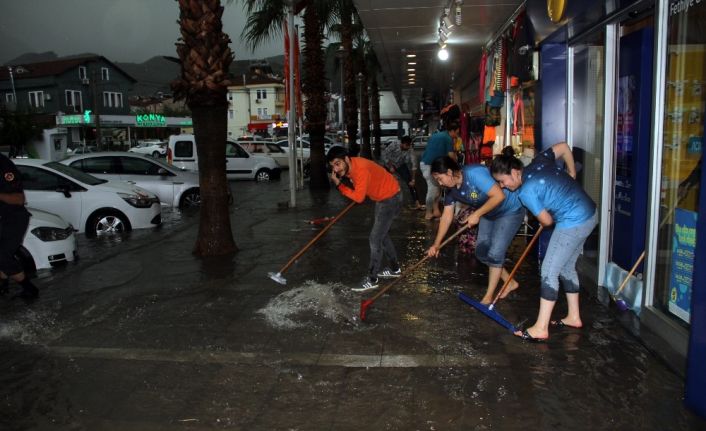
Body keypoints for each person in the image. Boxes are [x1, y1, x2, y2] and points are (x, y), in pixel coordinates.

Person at [491, 142, 597, 342]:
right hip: (591, 214)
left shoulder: (525, 192)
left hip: (574, 221)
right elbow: (565, 147)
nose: (502, 186)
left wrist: (543, 215)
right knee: (565, 268)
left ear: (514, 172)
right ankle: (574, 317)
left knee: (548, 271)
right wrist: (572, 172)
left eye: (503, 181)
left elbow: (547, 221)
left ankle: (541, 328)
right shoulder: (539, 160)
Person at [426, 156, 525, 304]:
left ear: (449, 172)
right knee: (481, 252)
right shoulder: (452, 190)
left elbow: (499, 195)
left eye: (440, 179)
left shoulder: (474, 173)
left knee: (495, 253)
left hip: (509, 210)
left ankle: (488, 297)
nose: (440, 183)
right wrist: (436, 244)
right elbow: (447, 216)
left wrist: (477, 214)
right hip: (488, 212)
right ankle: (510, 282)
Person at [327, 146, 403, 292]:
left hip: (390, 198)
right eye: (332, 166)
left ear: (347, 159)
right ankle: (395, 269)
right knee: (382, 235)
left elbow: (359, 198)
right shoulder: (351, 167)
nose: (335, 169)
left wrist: (339, 186)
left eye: (337, 164)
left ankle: (372, 279)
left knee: (375, 239)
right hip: (383, 197)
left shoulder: (360, 169)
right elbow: (359, 189)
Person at [0, 153, 38, 302]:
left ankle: (29, 288)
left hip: (13, 219)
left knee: (2, 255)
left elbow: (19, 199)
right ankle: (3, 286)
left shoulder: (4, 166)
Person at [420, 121, 459, 220]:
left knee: (437, 189)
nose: (457, 135)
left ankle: (436, 211)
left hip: (426, 163)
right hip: (430, 166)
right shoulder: (448, 138)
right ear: (452, 131)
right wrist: (457, 165)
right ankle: (428, 213)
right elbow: (450, 155)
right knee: (433, 190)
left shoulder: (437, 135)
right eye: (457, 133)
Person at [381, 135, 424, 210]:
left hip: (400, 164)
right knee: (387, 182)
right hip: (389, 164)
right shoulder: (394, 144)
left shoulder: (410, 149)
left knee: (410, 182)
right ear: (402, 143)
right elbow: (384, 155)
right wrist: (390, 166)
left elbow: (414, 163)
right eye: (407, 145)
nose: (408, 147)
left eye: (409, 145)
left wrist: (413, 179)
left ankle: (417, 203)